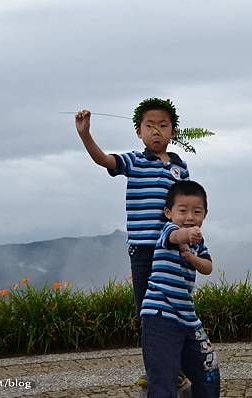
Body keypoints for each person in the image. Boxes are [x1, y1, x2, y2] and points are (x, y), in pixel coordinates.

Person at [74, 98, 189, 317]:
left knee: (176, 302)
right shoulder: (134, 160)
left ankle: (175, 346)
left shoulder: (179, 166)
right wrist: (85, 134)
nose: (156, 131)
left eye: (163, 125)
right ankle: (152, 347)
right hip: (143, 248)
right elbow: (104, 160)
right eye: (150, 125)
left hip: (174, 245)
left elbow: (186, 205)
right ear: (139, 132)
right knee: (147, 307)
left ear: (173, 131)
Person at [140, 180, 220, 397]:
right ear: (168, 212)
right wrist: (187, 236)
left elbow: (208, 267)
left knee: (208, 369)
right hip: (160, 315)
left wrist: (190, 256)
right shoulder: (168, 229)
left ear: (205, 214)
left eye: (197, 211)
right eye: (182, 210)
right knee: (163, 376)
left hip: (188, 317)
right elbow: (176, 236)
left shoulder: (199, 243)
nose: (190, 217)